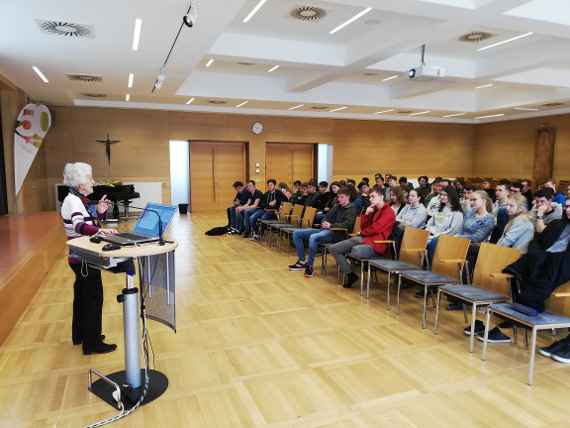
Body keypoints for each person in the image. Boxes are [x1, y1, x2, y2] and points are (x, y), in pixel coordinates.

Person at [479, 198, 570, 346]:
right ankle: (509, 324)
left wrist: (549, 257)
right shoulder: (558, 224)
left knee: (541, 276)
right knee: (524, 267)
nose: (568, 210)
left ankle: (508, 328)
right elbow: (540, 240)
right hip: (543, 259)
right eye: (566, 206)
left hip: (560, 265)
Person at [61, 162, 118, 355]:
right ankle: (92, 343)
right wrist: (102, 230)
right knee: (93, 298)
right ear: (79, 183)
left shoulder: (74, 200)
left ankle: (81, 335)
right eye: (89, 178)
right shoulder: (74, 201)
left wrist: (99, 213)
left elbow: (86, 223)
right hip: (84, 257)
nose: (93, 181)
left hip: (79, 257)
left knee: (82, 298)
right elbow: (79, 227)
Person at [329, 189, 395, 288]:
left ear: (381, 197)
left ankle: (351, 270)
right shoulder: (374, 210)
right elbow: (364, 226)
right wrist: (367, 214)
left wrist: (362, 233)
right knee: (333, 249)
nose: (371, 199)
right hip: (366, 239)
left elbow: (376, 228)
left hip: (377, 243)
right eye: (370, 197)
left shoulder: (388, 211)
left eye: (373, 196)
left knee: (355, 248)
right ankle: (350, 274)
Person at [289, 187, 357, 278]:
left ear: (348, 197)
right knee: (296, 233)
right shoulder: (337, 206)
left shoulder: (352, 208)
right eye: (338, 197)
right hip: (327, 230)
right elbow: (326, 217)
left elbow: (347, 225)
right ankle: (302, 261)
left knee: (313, 237)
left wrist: (331, 226)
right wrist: (324, 222)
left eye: (342, 197)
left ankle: (309, 266)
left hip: (339, 234)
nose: (339, 199)